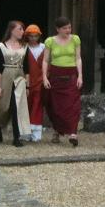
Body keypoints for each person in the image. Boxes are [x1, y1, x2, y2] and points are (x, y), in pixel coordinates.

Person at [42, 17, 83, 146]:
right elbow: (45, 60)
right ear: (58, 29)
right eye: (65, 28)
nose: (68, 30)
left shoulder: (75, 39)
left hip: (71, 75)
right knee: (56, 106)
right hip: (55, 75)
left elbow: (78, 58)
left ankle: (73, 133)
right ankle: (57, 130)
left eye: (69, 27)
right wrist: (44, 77)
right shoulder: (50, 41)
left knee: (73, 105)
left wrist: (80, 75)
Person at [24, 24, 46, 142]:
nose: (33, 38)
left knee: (38, 106)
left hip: (40, 80)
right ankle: (25, 133)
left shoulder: (44, 47)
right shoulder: (23, 48)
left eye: (35, 36)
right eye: (30, 36)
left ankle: (36, 134)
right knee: (25, 106)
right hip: (26, 81)